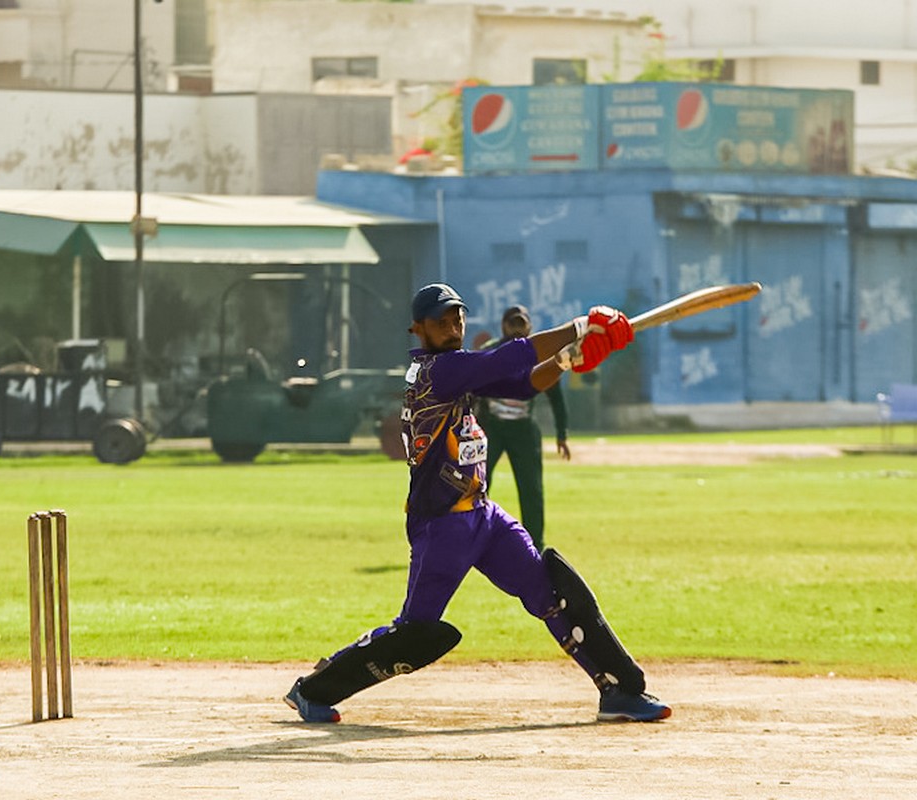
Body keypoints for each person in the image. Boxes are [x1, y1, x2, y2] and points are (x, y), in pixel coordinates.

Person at [284, 283, 670, 724]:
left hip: (483, 517)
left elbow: (521, 385)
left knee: (550, 594)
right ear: (418, 329)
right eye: (441, 323)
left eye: (458, 320)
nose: (453, 329)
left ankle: (616, 689)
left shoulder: (456, 370)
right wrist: (579, 327)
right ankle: (313, 690)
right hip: (442, 527)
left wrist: (565, 360)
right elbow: (506, 359)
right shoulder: (436, 372)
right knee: (414, 631)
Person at [477, 304, 569, 551]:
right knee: (477, 485)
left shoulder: (538, 355)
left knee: (531, 488)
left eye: (521, 324)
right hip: (491, 428)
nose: (517, 330)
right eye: (512, 324)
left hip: (523, 429)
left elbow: (556, 397)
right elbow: (471, 388)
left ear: (529, 327)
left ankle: (535, 546)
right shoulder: (490, 352)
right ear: (503, 326)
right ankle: (473, 537)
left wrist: (562, 433)